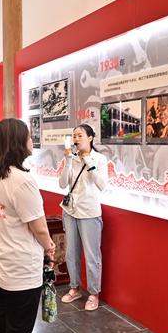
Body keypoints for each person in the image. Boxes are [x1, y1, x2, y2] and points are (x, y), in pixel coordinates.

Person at [0, 118, 56, 333]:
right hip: (19, 271)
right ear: (17, 142)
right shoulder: (22, 180)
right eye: (28, 136)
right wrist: (50, 248)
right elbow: (40, 228)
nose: (31, 140)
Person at [58, 124, 108, 311]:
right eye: (74, 136)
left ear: (90, 138)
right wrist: (68, 161)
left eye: (80, 135)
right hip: (70, 211)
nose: (76, 139)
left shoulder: (99, 159)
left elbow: (102, 185)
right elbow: (62, 183)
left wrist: (88, 161)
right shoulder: (71, 158)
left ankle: (94, 294)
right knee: (71, 253)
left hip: (89, 212)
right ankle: (75, 288)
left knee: (92, 255)